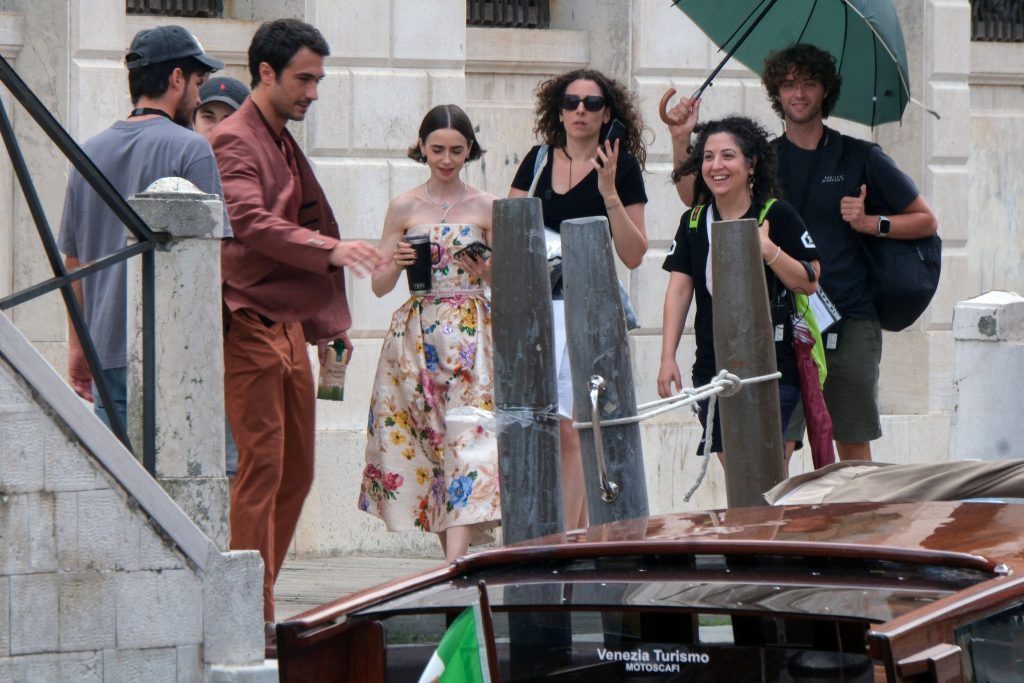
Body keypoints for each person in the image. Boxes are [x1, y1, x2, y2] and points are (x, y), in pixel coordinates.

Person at [665, 44, 937, 463]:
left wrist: (871, 223)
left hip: (847, 317)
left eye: (809, 83)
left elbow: (925, 220)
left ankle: (853, 511)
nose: (799, 93)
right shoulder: (762, 159)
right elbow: (697, 200)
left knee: (850, 448)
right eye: (789, 84)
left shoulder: (860, 156)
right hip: (782, 325)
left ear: (826, 91)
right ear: (776, 92)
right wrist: (681, 139)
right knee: (776, 450)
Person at [211, 19, 385, 641]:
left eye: (318, 80)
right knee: (261, 468)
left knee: (299, 472)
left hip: (287, 326)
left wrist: (323, 324)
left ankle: (257, 599)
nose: (313, 92)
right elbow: (250, 221)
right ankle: (248, 614)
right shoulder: (234, 138)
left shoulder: (281, 139)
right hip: (247, 322)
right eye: (304, 79)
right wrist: (330, 250)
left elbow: (303, 220)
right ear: (266, 72)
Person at [58, 25, 226, 431]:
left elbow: (74, 261)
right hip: (170, 349)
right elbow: (212, 261)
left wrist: (78, 344)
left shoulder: (88, 152)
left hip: (104, 348)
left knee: (116, 468)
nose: (199, 98)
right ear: (176, 79)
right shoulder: (193, 148)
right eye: (198, 83)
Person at [357, 104, 499, 563]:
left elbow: (510, 282)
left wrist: (486, 270)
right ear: (422, 147)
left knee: (469, 441)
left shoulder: (486, 205)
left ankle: (454, 565)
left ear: (469, 150)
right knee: (433, 444)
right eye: (437, 149)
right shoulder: (404, 206)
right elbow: (379, 285)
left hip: (473, 334)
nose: (446, 159)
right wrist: (396, 263)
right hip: (417, 336)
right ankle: (455, 564)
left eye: (456, 150)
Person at [509, 68, 648, 530]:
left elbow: (634, 253)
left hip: (590, 308)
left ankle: (566, 538)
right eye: (571, 102)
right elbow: (509, 229)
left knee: (575, 426)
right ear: (559, 110)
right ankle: (583, 535)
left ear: (608, 114)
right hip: (538, 306)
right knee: (549, 425)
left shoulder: (621, 168)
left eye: (592, 103)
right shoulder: (537, 161)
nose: (580, 111)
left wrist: (608, 191)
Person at [658, 116, 820, 459]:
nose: (716, 165)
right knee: (736, 474)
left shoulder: (777, 214)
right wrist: (667, 356)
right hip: (714, 367)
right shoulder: (693, 221)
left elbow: (810, 280)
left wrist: (768, 250)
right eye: (708, 157)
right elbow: (679, 291)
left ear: (751, 165)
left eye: (728, 156)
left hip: (774, 367)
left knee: (769, 475)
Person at [191, 75, 250, 486]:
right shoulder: (179, 170)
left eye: (229, 118)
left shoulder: (253, 181)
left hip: (238, 333)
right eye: (208, 116)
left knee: (235, 458)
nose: (216, 127)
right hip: (187, 333)